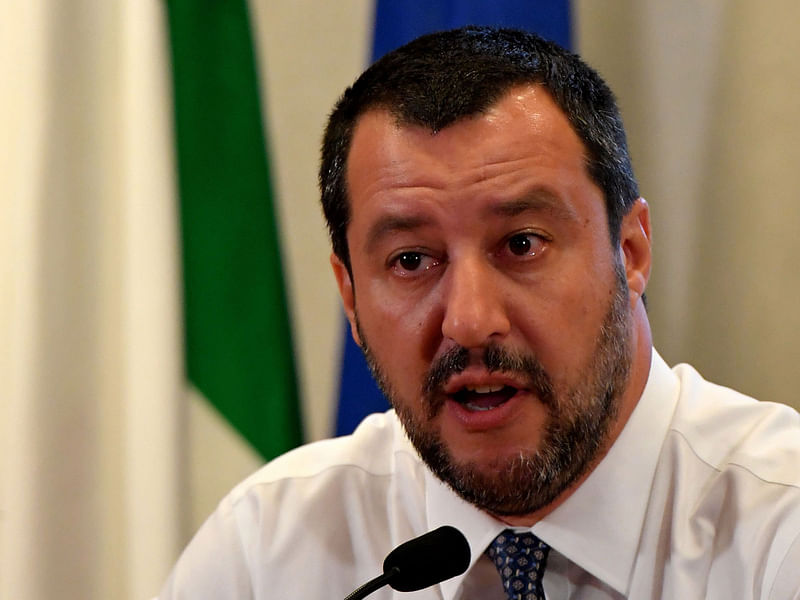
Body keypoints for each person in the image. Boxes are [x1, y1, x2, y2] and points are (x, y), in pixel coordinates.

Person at [157, 26, 800, 599]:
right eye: (412, 261)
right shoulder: (268, 549)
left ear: (630, 251)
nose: (468, 320)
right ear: (350, 296)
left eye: (522, 244)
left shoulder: (778, 526)